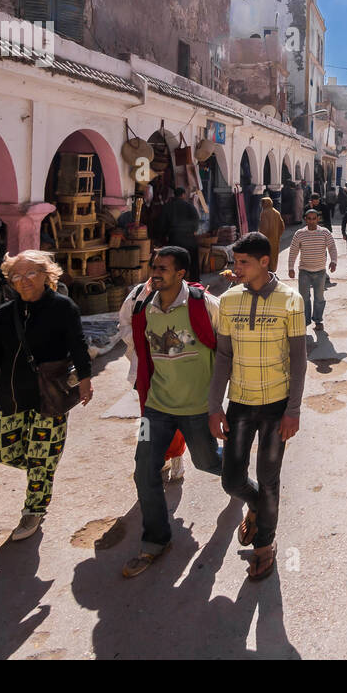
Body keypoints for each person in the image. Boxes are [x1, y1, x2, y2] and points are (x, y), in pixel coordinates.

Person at [0, 250, 93, 541]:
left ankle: (33, 509)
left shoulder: (63, 308)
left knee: (39, 459)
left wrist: (85, 378)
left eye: (30, 274)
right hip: (13, 396)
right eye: (16, 276)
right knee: (7, 454)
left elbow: (78, 345)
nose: (22, 281)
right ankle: (44, 467)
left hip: (50, 397)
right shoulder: (5, 314)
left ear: (46, 275)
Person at [118, 247, 223, 577]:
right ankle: (156, 539)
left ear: (181, 273)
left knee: (207, 463)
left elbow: (227, 345)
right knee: (143, 469)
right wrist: (137, 369)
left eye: (162, 268)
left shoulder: (202, 303)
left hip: (197, 406)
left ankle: (248, 486)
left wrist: (219, 401)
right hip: (156, 407)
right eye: (153, 266)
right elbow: (128, 331)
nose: (155, 272)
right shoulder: (141, 301)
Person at [209, 232, 307, 582]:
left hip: (276, 408)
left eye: (243, 263)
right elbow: (223, 357)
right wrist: (214, 407)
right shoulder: (229, 300)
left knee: (269, 478)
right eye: (235, 262)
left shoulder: (290, 300)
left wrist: (293, 410)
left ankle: (264, 546)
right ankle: (256, 509)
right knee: (231, 479)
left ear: (265, 262)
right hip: (240, 404)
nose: (236, 269)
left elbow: (298, 360)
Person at [288, 209, 339, 330]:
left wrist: (333, 261)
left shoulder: (324, 232)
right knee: (304, 298)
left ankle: (318, 320)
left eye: (314, 218)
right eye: (309, 218)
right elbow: (293, 251)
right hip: (304, 271)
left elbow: (332, 247)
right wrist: (291, 267)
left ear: (318, 219)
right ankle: (304, 322)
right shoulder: (299, 234)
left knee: (319, 298)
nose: (311, 221)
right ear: (305, 219)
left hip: (320, 271)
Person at [157, 187, 201, 282]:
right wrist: (194, 230)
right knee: (193, 261)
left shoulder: (168, 206)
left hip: (174, 239)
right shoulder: (189, 206)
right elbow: (196, 220)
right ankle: (195, 281)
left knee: (175, 262)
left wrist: (163, 236)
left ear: (175, 195)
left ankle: (175, 281)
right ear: (183, 195)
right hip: (189, 239)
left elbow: (162, 224)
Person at [258, 195, 285, 274]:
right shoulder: (276, 212)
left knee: (265, 253)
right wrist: (278, 235)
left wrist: (261, 236)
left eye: (263, 203)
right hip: (275, 238)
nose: (262, 205)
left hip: (266, 238)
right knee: (274, 254)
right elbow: (282, 226)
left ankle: (266, 269)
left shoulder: (264, 213)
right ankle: (272, 269)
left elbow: (264, 227)